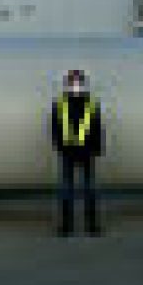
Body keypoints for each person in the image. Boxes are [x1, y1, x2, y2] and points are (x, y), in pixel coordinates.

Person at [50, 68, 104, 236]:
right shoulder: (59, 104)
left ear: (84, 84)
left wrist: (97, 149)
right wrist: (59, 147)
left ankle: (92, 226)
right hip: (68, 152)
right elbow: (55, 128)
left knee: (89, 190)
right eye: (72, 82)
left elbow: (97, 128)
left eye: (78, 81)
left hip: (87, 153)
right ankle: (66, 226)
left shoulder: (92, 104)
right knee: (67, 190)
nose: (76, 85)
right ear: (67, 84)